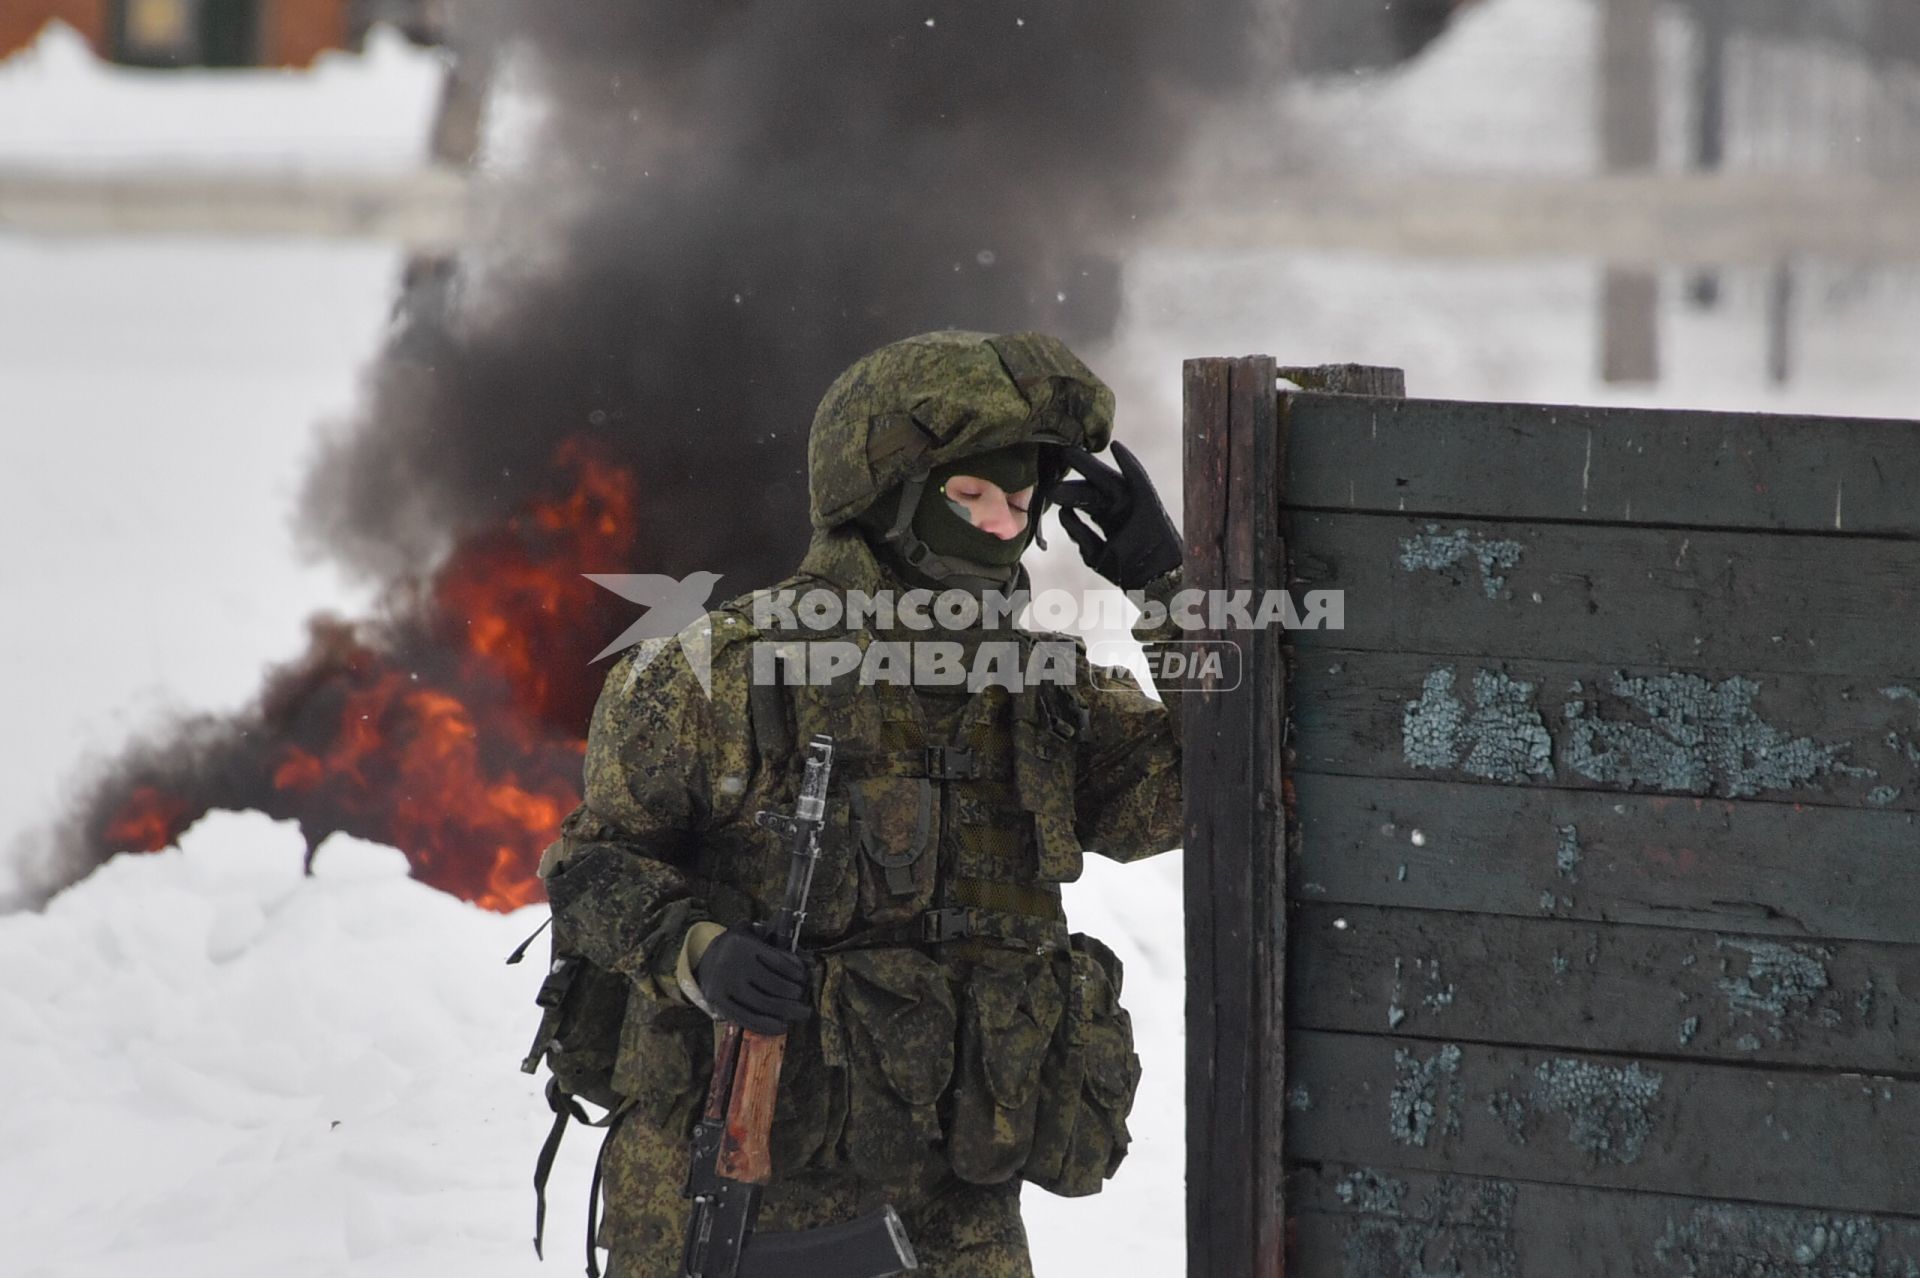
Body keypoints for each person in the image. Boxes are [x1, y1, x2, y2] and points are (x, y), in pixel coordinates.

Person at [541, 329, 1187, 1277]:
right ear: (887, 501)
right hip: (739, 1183)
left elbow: (1219, 784)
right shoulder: (722, 673)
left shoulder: (1045, 691)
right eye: (969, 496)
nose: (1003, 526)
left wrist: (1172, 589)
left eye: (1020, 501)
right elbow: (586, 867)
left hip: (959, 1202)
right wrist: (695, 952)